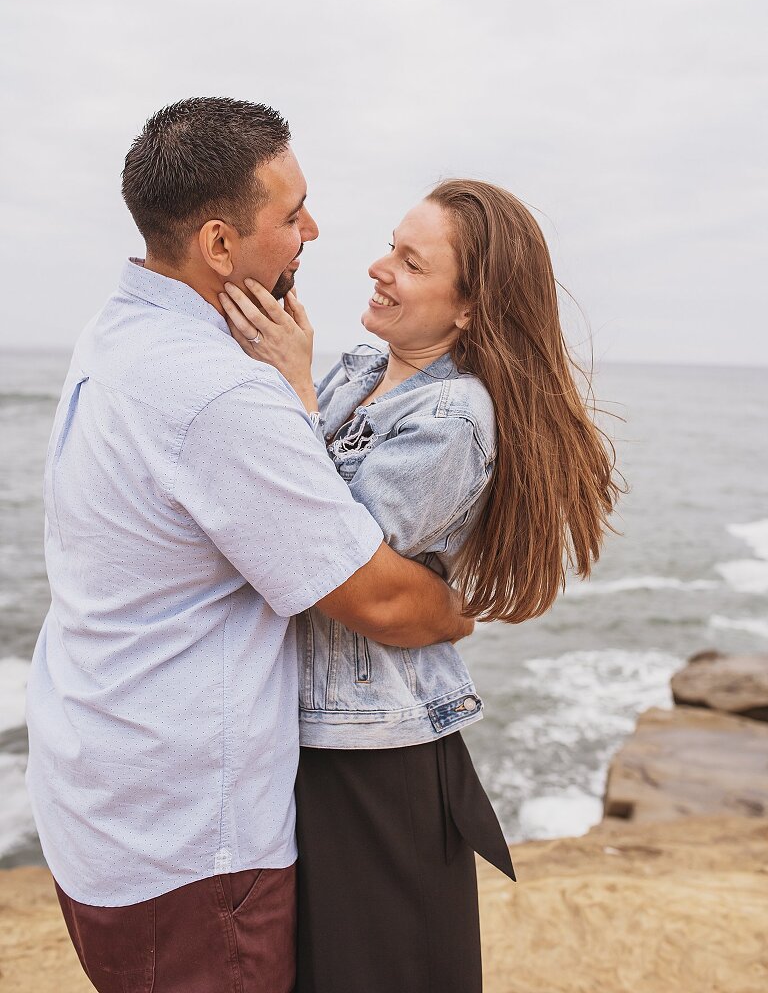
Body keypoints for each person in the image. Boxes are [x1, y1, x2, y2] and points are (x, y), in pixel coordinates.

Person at [25, 97, 472, 993]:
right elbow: (379, 599)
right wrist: (466, 608)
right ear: (222, 247)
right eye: (291, 213)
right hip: (189, 844)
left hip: (99, 793)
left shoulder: (118, 331)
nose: (315, 229)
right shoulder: (219, 394)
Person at [221, 179, 621, 993]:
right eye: (389, 247)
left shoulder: (454, 419)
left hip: (376, 750)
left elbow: (337, 554)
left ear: (469, 309)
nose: (378, 268)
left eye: (409, 262)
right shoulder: (369, 363)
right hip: (310, 731)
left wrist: (296, 388)